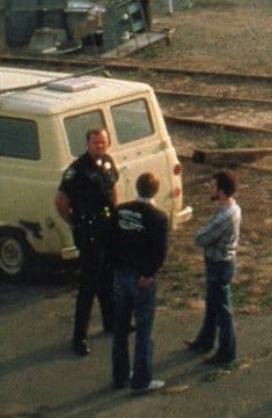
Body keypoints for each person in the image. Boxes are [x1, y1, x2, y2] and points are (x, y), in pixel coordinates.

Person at [55, 127, 120, 357]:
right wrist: (73, 223)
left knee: (108, 277)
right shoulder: (76, 171)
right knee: (88, 285)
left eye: (102, 142)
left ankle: (111, 322)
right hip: (88, 232)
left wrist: (114, 214)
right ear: (87, 144)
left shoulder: (108, 162)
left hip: (106, 228)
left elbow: (113, 189)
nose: (99, 146)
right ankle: (79, 337)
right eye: (95, 142)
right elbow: (61, 201)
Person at [110, 172, 170, 395]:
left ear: (137, 187)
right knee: (144, 331)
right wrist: (148, 273)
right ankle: (142, 380)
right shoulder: (158, 218)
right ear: (155, 191)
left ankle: (119, 376)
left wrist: (115, 267)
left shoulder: (120, 211)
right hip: (142, 280)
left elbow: (110, 241)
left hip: (120, 276)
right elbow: (160, 252)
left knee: (120, 329)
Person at [186, 170, 241, 365]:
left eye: (213, 186)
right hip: (223, 262)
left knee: (222, 309)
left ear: (222, 191)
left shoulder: (224, 217)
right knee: (213, 304)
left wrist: (200, 233)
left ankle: (227, 351)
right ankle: (205, 340)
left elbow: (201, 238)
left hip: (219, 265)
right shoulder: (233, 208)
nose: (210, 189)